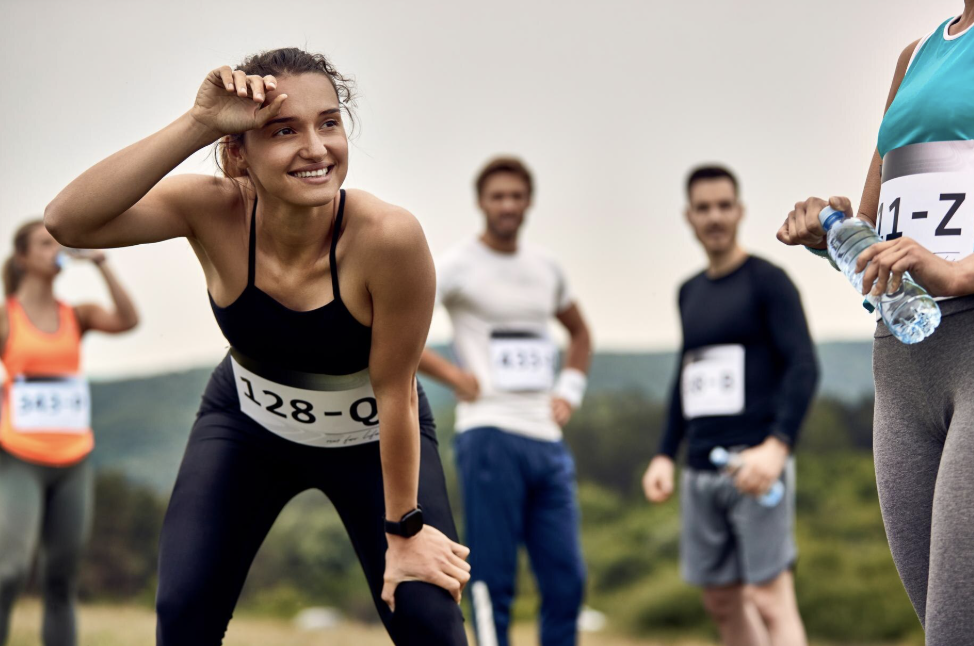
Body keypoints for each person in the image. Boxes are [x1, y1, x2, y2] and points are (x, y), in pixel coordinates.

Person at [44, 48, 470, 646]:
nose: (317, 147)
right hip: (246, 426)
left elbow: (395, 391)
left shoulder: (387, 237)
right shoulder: (212, 208)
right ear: (237, 151)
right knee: (184, 611)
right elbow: (69, 220)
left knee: (427, 617)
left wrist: (403, 531)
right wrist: (198, 121)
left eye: (329, 122)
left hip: (374, 435)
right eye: (283, 130)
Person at [777, 6, 974, 643]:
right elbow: (874, 222)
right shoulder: (915, 56)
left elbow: (945, 263)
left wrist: (956, 273)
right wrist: (829, 230)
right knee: (939, 622)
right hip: (902, 353)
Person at [418, 157, 592, 646]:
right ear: (481, 203)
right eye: (498, 196)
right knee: (494, 578)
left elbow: (580, 333)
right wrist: (451, 374)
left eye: (517, 196)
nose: (508, 205)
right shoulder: (457, 265)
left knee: (568, 580)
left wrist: (570, 391)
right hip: (489, 433)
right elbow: (398, 325)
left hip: (547, 439)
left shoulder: (547, 267)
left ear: (529, 201)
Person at [643, 166, 818, 646]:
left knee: (769, 598)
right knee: (721, 601)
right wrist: (664, 453)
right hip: (699, 468)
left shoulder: (769, 281)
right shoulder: (689, 292)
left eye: (724, 205)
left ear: (739, 211)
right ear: (689, 216)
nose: (714, 216)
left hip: (755, 463)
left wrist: (777, 448)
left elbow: (803, 365)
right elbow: (687, 374)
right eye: (704, 207)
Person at [0, 220, 139, 646]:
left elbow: (128, 320)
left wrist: (100, 262)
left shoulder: (77, 315)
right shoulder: (7, 317)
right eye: (44, 243)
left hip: (74, 459)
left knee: (61, 579)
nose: (54, 249)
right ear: (23, 258)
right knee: (10, 571)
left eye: (58, 241)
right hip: (19, 456)